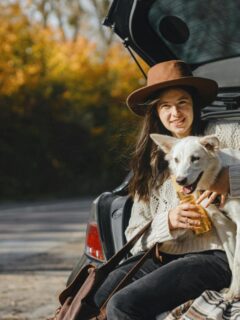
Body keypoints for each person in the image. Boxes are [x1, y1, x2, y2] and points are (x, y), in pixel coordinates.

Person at [93, 60, 240, 320]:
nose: (176, 112)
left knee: (123, 306)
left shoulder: (226, 134)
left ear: (194, 104)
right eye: (165, 106)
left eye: (182, 102)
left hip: (217, 254)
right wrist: (167, 222)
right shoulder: (151, 163)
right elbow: (132, 236)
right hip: (166, 253)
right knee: (94, 298)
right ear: (156, 112)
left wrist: (230, 178)